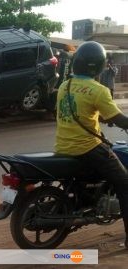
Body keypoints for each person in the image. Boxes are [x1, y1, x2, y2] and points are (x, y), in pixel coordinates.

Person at [55, 41, 128, 248]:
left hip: (63, 146)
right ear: (98, 66)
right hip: (87, 148)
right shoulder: (99, 90)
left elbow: (78, 111)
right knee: (125, 183)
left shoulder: (64, 86)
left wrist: (102, 118)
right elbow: (120, 119)